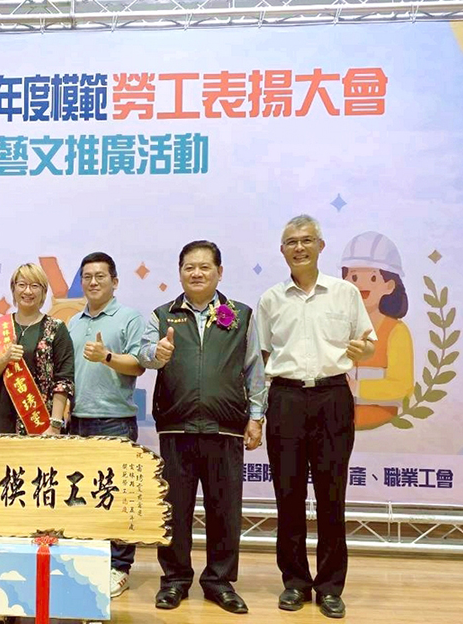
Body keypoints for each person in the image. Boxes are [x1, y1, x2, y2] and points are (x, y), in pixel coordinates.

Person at [256, 215, 376, 619]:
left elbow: (367, 343)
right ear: (282, 250)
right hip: (286, 398)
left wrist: (362, 352)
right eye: (291, 242)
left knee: (331, 496)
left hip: (332, 397)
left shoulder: (345, 293)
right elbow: (263, 356)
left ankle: (329, 587)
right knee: (287, 496)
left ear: (321, 246)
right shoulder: (271, 299)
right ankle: (294, 582)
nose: (299, 248)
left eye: (307, 240)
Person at [139, 240, 266, 614]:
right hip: (176, 427)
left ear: (219, 272)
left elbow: (254, 368)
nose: (196, 273)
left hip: (225, 428)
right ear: (180, 273)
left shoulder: (239, 315)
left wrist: (256, 416)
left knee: (224, 509)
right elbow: (145, 355)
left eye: (204, 267)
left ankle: (219, 582)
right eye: (189, 267)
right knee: (174, 510)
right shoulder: (162, 315)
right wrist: (156, 353)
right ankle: (174, 580)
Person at [67, 252, 145, 598]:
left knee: (117, 496)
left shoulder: (129, 317)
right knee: (81, 497)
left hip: (115, 421)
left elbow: (139, 364)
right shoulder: (72, 322)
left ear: (115, 281)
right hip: (76, 421)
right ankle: (86, 561)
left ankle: (119, 567)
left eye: (100, 276)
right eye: (87, 276)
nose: (93, 282)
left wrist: (107, 357)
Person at [0, 263, 74, 435]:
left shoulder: (55, 328)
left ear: (44, 291)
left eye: (35, 286)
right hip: (0, 418)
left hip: (42, 421)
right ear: (13, 289)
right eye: (22, 285)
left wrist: (55, 424)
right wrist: (5, 358)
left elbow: (64, 380)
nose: (28, 291)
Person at [341, 231, 413, 430]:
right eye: (354, 277)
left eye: (373, 278)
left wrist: (357, 388)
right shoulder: (338, 326)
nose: (361, 285)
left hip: (383, 426)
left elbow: (403, 386)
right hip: (336, 425)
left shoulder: (396, 332)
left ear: (389, 286)